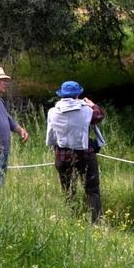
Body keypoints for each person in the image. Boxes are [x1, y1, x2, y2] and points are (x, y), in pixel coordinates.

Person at [45, 80, 103, 223]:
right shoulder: (86, 111)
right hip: (85, 155)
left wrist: (54, 147)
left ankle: (71, 219)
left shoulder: (53, 112)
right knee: (92, 190)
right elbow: (99, 115)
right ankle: (94, 222)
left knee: (68, 190)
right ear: (78, 95)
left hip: (62, 155)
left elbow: (51, 135)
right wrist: (91, 104)